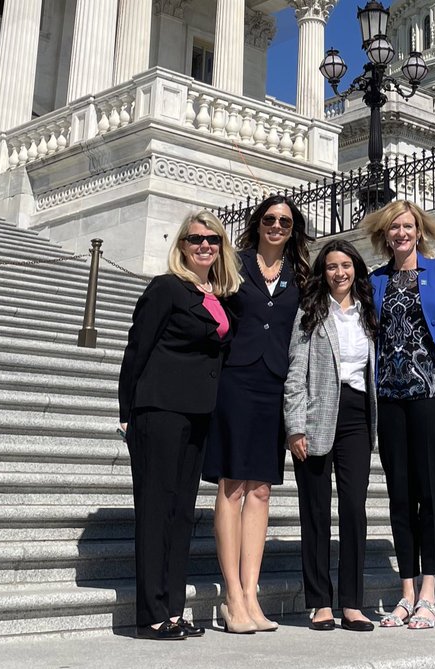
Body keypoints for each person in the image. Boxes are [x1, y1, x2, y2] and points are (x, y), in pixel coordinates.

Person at [117, 210, 242, 640]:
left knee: (181, 513)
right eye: (195, 239)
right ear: (182, 246)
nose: (204, 245)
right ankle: (151, 615)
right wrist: (126, 411)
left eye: (212, 239)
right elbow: (137, 350)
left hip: (197, 414)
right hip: (159, 410)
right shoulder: (166, 289)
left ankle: (172, 608)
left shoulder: (219, 296)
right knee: (156, 510)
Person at [202, 195, 311, 633]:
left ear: (293, 228)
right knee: (232, 487)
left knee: (262, 490)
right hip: (235, 380)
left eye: (285, 221)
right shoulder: (234, 264)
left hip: (274, 384)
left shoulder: (300, 276)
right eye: (270, 219)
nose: (277, 226)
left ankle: (251, 592)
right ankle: (231, 595)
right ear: (258, 223)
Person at [364, 200, 435, 630]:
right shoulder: (376, 280)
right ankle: (406, 592)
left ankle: (429, 592)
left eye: (407, 226)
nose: (401, 234)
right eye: (394, 228)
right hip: (388, 396)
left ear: (419, 231)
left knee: (430, 489)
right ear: (385, 235)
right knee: (399, 494)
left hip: (430, 394)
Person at [284, 240, 379, 632]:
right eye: (331, 267)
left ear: (356, 268)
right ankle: (320, 602)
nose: (339, 273)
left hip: (357, 415)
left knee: (354, 509)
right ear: (322, 272)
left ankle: (352, 603)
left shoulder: (368, 314)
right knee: (315, 511)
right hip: (317, 415)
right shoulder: (310, 311)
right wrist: (295, 426)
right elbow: (295, 372)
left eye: (345, 265)